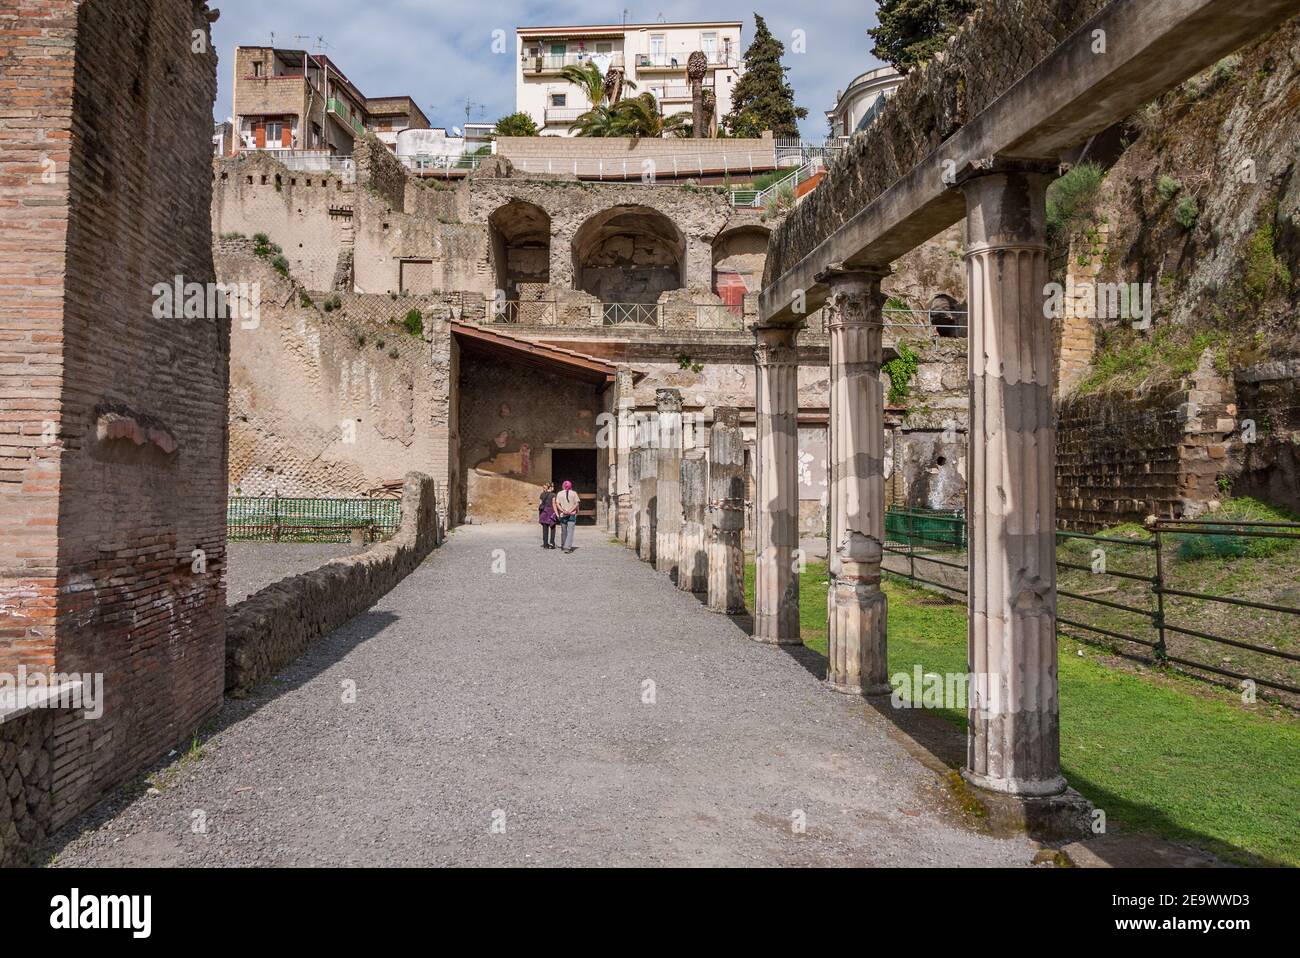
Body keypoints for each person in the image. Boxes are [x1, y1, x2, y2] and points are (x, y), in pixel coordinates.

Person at [554, 480, 580, 553]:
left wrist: (563, 510)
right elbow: (577, 503)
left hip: (563, 514)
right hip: (571, 514)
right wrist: (570, 510)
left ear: (563, 486)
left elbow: (557, 503)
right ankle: (567, 547)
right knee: (570, 532)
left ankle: (563, 545)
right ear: (571, 486)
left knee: (564, 531)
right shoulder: (574, 493)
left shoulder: (559, 493)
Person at [538, 482, 558, 549]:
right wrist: (557, 514)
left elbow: (540, 504)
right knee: (552, 527)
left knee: (545, 528)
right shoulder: (553, 495)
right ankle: (552, 543)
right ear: (551, 487)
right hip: (551, 512)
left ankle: (545, 544)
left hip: (544, 512)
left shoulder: (542, 494)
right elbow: (554, 505)